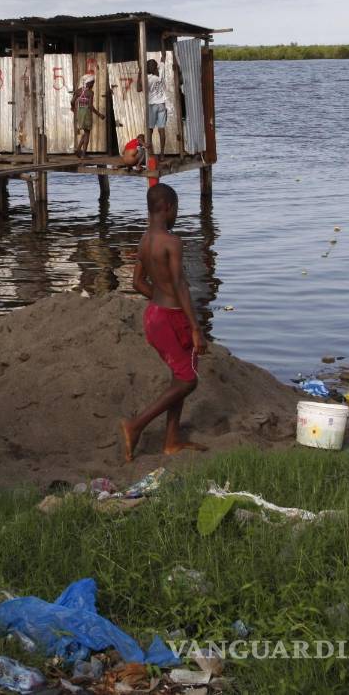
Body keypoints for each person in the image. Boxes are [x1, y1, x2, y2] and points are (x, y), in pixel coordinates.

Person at [120, 183, 207, 462]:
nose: (177, 213)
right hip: (171, 318)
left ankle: (171, 441)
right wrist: (195, 327)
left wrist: (158, 299)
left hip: (154, 315)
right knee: (189, 380)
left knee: (178, 376)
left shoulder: (145, 241)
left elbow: (136, 282)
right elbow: (180, 284)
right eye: (177, 208)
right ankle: (136, 425)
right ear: (168, 208)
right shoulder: (172, 242)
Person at [70, 73, 105, 157]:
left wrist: (73, 108)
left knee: (85, 133)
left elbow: (72, 101)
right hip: (86, 114)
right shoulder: (90, 93)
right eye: (92, 82)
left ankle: (78, 150)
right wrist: (99, 114)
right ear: (88, 83)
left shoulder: (78, 91)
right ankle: (83, 155)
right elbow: (90, 106)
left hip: (80, 114)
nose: (93, 84)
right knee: (87, 134)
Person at [138, 57, 168, 155]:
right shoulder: (161, 73)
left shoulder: (147, 78)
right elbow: (163, 58)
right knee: (161, 129)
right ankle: (163, 153)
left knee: (150, 130)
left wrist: (139, 74)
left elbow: (138, 89)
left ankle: (150, 153)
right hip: (162, 105)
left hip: (152, 105)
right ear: (156, 67)